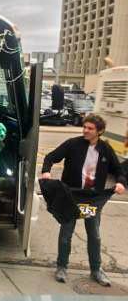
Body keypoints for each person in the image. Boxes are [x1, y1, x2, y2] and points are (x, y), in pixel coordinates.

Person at [41, 114, 126, 286]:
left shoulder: (105, 149)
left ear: (99, 131)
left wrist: (121, 183)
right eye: (84, 127)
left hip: (92, 200)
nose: (85, 130)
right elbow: (50, 157)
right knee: (66, 233)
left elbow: (119, 170)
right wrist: (46, 171)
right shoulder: (73, 144)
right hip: (71, 197)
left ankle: (96, 270)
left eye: (90, 128)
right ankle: (62, 267)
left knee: (94, 235)